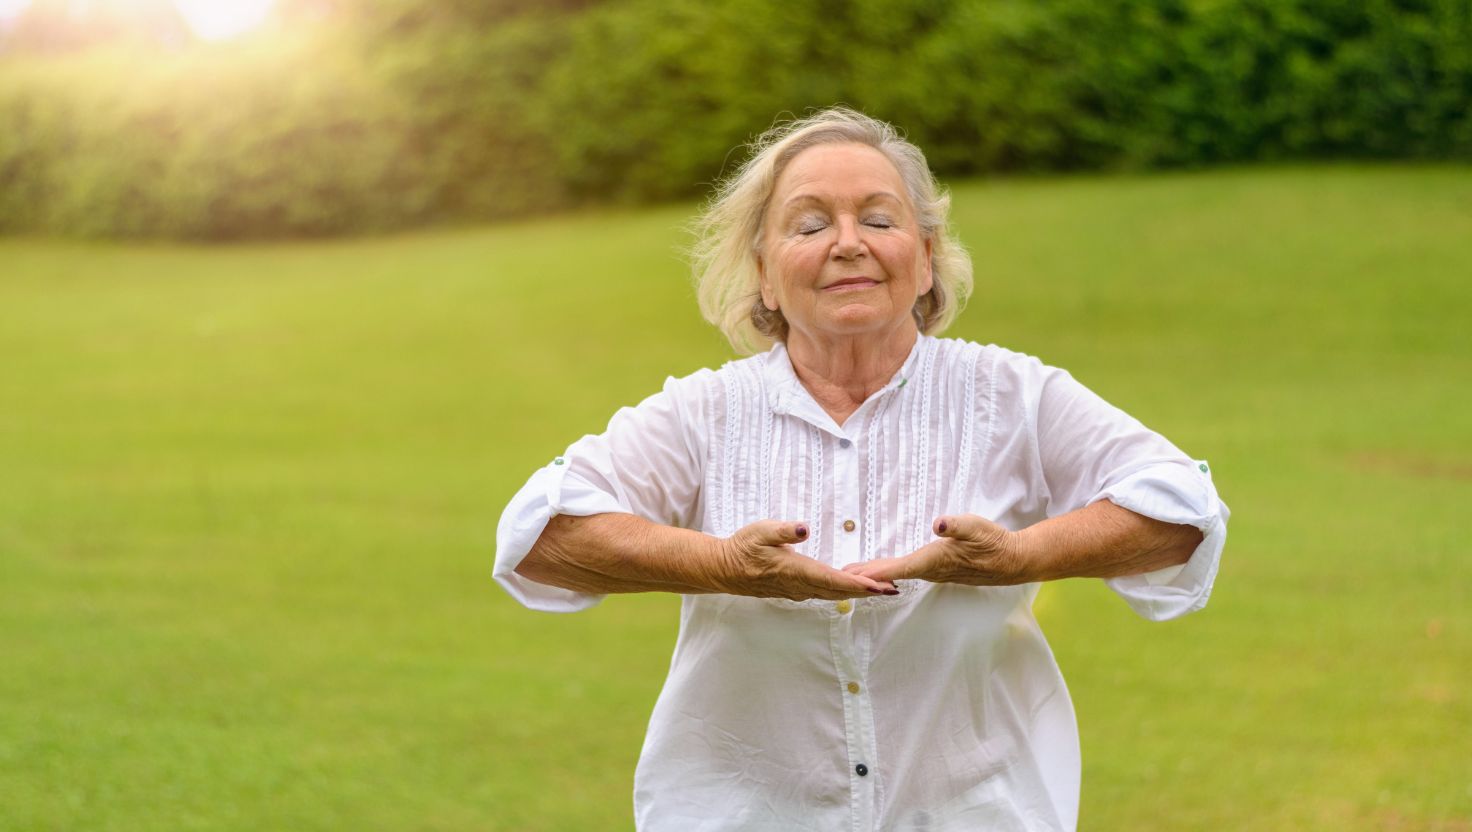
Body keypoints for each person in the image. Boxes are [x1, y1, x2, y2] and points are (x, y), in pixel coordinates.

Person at [493, 107, 1228, 831]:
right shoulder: (706, 410)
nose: (848, 244)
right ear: (764, 276)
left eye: (879, 219)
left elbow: (1180, 511)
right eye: (810, 225)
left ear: (927, 256)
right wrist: (722, 564)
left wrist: (1016, 557)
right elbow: (541, 534)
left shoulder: (1010, 394)